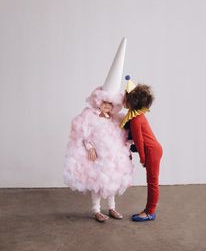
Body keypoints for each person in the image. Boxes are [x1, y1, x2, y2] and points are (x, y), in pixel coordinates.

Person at [64, 38, 134, 222]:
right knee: (97, 183)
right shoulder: (89, 116)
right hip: (96, 156)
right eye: (104, 103)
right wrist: (90, 148)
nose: (107, 107)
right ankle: (96, 209)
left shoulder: (114, 119)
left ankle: (112, 208)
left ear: (113, 106)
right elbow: (83, 133)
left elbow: (122, 134)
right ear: (98, 101)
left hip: (110, 157)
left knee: (110, 182)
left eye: (110, 105)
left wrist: (126, 144)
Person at [121, 76, 163, 221]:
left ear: (132, 101)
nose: (122, 100)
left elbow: (139, 141)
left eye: (125, 97)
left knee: (152, 182)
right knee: (152, 181)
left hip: (151, 151)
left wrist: (143, 159)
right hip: (152, 149)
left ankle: (150, 212)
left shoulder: (136, 119)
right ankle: (149, 210)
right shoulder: (137, 116)